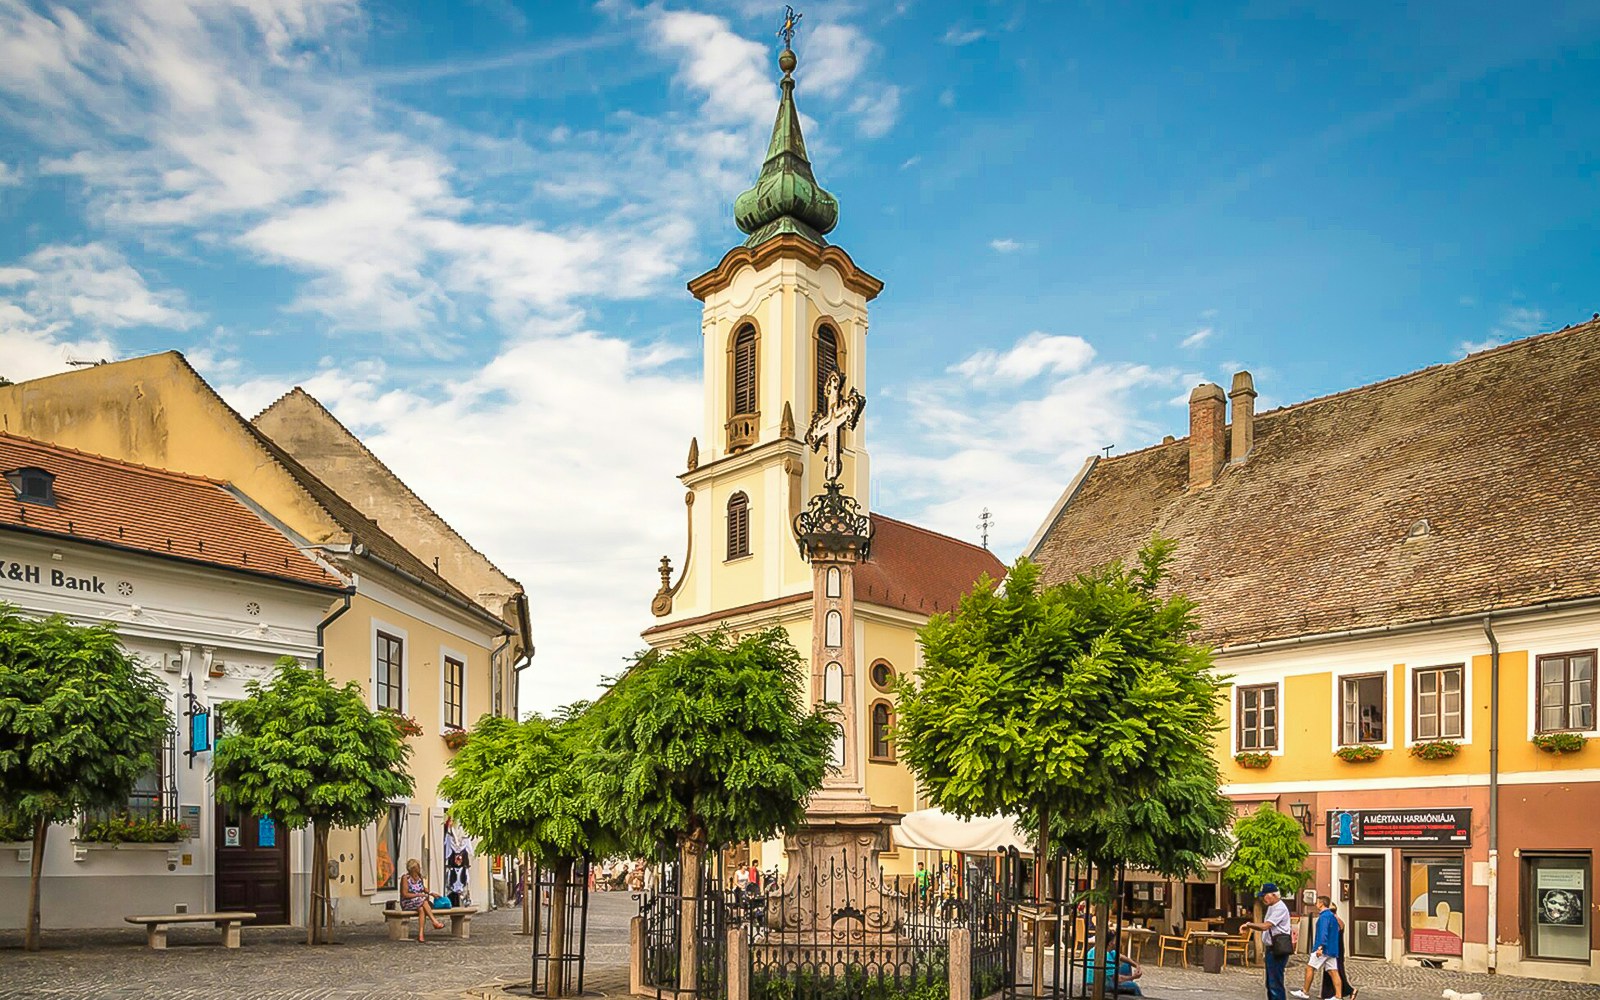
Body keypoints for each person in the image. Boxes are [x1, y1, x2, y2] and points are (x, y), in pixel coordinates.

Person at [1244, 882, 1293, 1000]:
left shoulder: (1280, 908)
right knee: (1271, 982)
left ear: (1273, 895)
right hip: (1272, 948)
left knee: (1275, 982)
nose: (1263, 898)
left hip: (1277, 948)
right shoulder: (1272, 907)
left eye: (1265, 895)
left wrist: (1249, 925)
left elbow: (1266, 926)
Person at [1292, 896, 1342, 1000]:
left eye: (1317, 902)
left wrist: (1320, 947)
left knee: (1310, 967)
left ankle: (1305, 991)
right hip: (1332, 949)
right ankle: (1338, 996)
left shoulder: (1324, 917)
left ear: (1321, 904)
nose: (1316, 904)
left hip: (1323, 948)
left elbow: (1323, 933)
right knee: (1333, 971)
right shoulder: (1332, 916)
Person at [399, 858, 447, 943]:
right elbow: (405, 894)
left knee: (421, 909)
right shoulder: (406, 878)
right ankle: (434, 921)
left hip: (418, 902)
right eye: (416, 868)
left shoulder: (419, 877)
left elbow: (423, 889)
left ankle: (421, 934)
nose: (418, 869)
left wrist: (431, 893)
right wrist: (418, 895)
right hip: (408, 902)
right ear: (411, 869)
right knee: (423, 901)